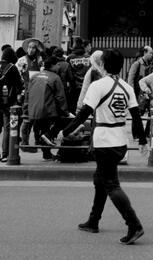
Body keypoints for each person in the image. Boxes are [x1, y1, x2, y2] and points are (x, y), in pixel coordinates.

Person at [56, 49, 147, 245]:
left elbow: (83, 114)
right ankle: (93, 220)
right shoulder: (126, 87)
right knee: (100, 179)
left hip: (104, 140)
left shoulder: (98, 86)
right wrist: (142, 140)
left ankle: (134, 224)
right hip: (120, 140)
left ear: (103, 65)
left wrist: (65, 132)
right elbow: (137, 117)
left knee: (111, 184)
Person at [28, 55, 71, 160]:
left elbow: (27, 94)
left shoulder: (34, 77)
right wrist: (65, 112)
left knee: (42, 132)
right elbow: (60, 97)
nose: (59, 67)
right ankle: (48, 138)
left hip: (33, 110)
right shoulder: (55, 78)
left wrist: (26, 111)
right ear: (53, 65)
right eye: (57, 65)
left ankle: (46, 154)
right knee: (63, 122)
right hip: (47, 110)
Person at [0, 47, 22, 162]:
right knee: (7, 128)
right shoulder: (12, 68)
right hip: (8, 102)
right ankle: (5, 154)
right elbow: (19, 85)